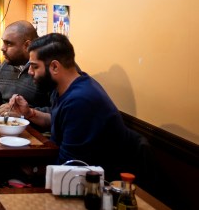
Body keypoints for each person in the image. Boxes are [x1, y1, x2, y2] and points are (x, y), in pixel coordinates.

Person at [10, 33, 136, 181]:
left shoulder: (81, 100)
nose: (30, 72)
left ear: (55, 67)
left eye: (34, 67)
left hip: (96, 185)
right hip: (73, 173)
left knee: (7, 172)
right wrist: (30, 113)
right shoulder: (68, 86)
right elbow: (59, 121)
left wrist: (34, 170)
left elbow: (70, 167)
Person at [0, 20, 50, 113]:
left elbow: (55, 112)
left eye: (9, 43)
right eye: (3, 42)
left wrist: (25, 112)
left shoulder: (45, 70)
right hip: (4, 123)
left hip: (30, 126)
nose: (2, 48)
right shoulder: (7, 64)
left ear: (27, 45)